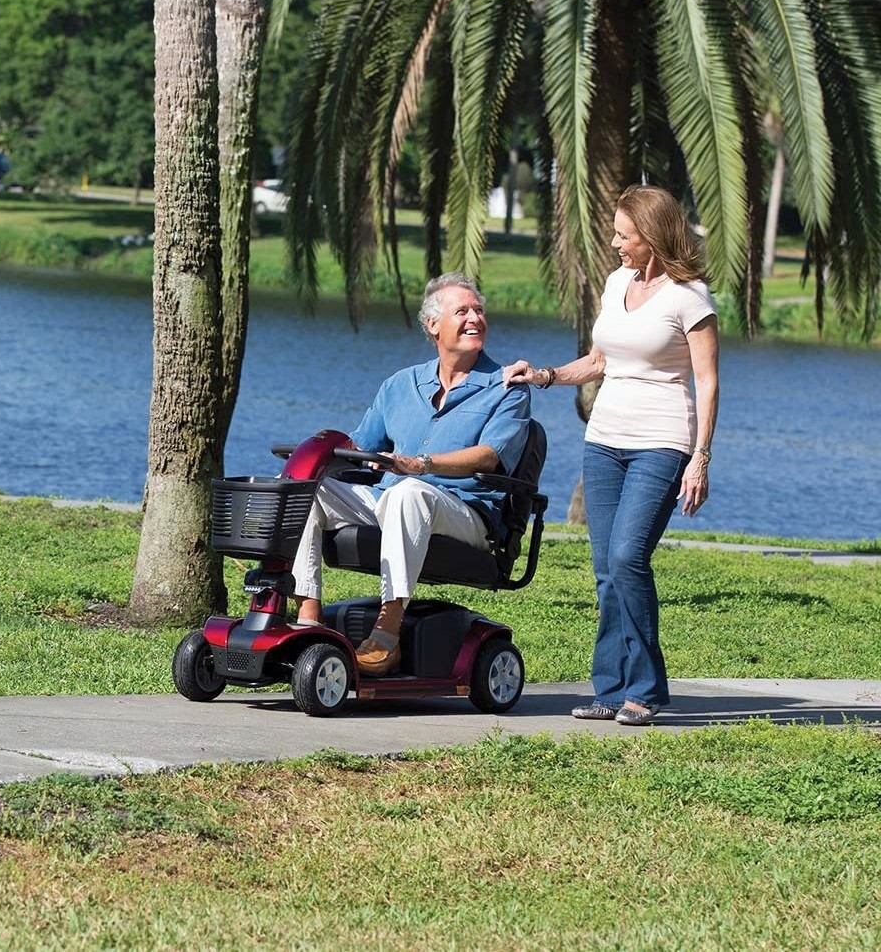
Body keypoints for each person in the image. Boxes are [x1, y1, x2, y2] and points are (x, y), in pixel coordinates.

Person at [504, 184, 719, 726]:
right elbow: (600, 359)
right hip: (603, 441)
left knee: (628, 557)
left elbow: (708, 382)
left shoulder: (689, 296)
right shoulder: (617, 281)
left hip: (662, 443)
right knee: (605, 568)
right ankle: (611, 688)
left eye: (624, 234)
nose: (616, 243)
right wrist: (548, 376)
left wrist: (700, 458)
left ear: (651, 234)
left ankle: (644, 690)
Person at [293, 272, 531, 677]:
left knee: (410, 492)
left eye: (478, 310)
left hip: (466, 513)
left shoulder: (507, 385)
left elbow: (490, 457)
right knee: (310, 487)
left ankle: (387, 632)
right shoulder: (400, 385)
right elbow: (358, 447)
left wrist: (421, 465)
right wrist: (332, 455)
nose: (475, 318)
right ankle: (308, 618)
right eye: (463, 311)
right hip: (390, 500)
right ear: (433, 326)